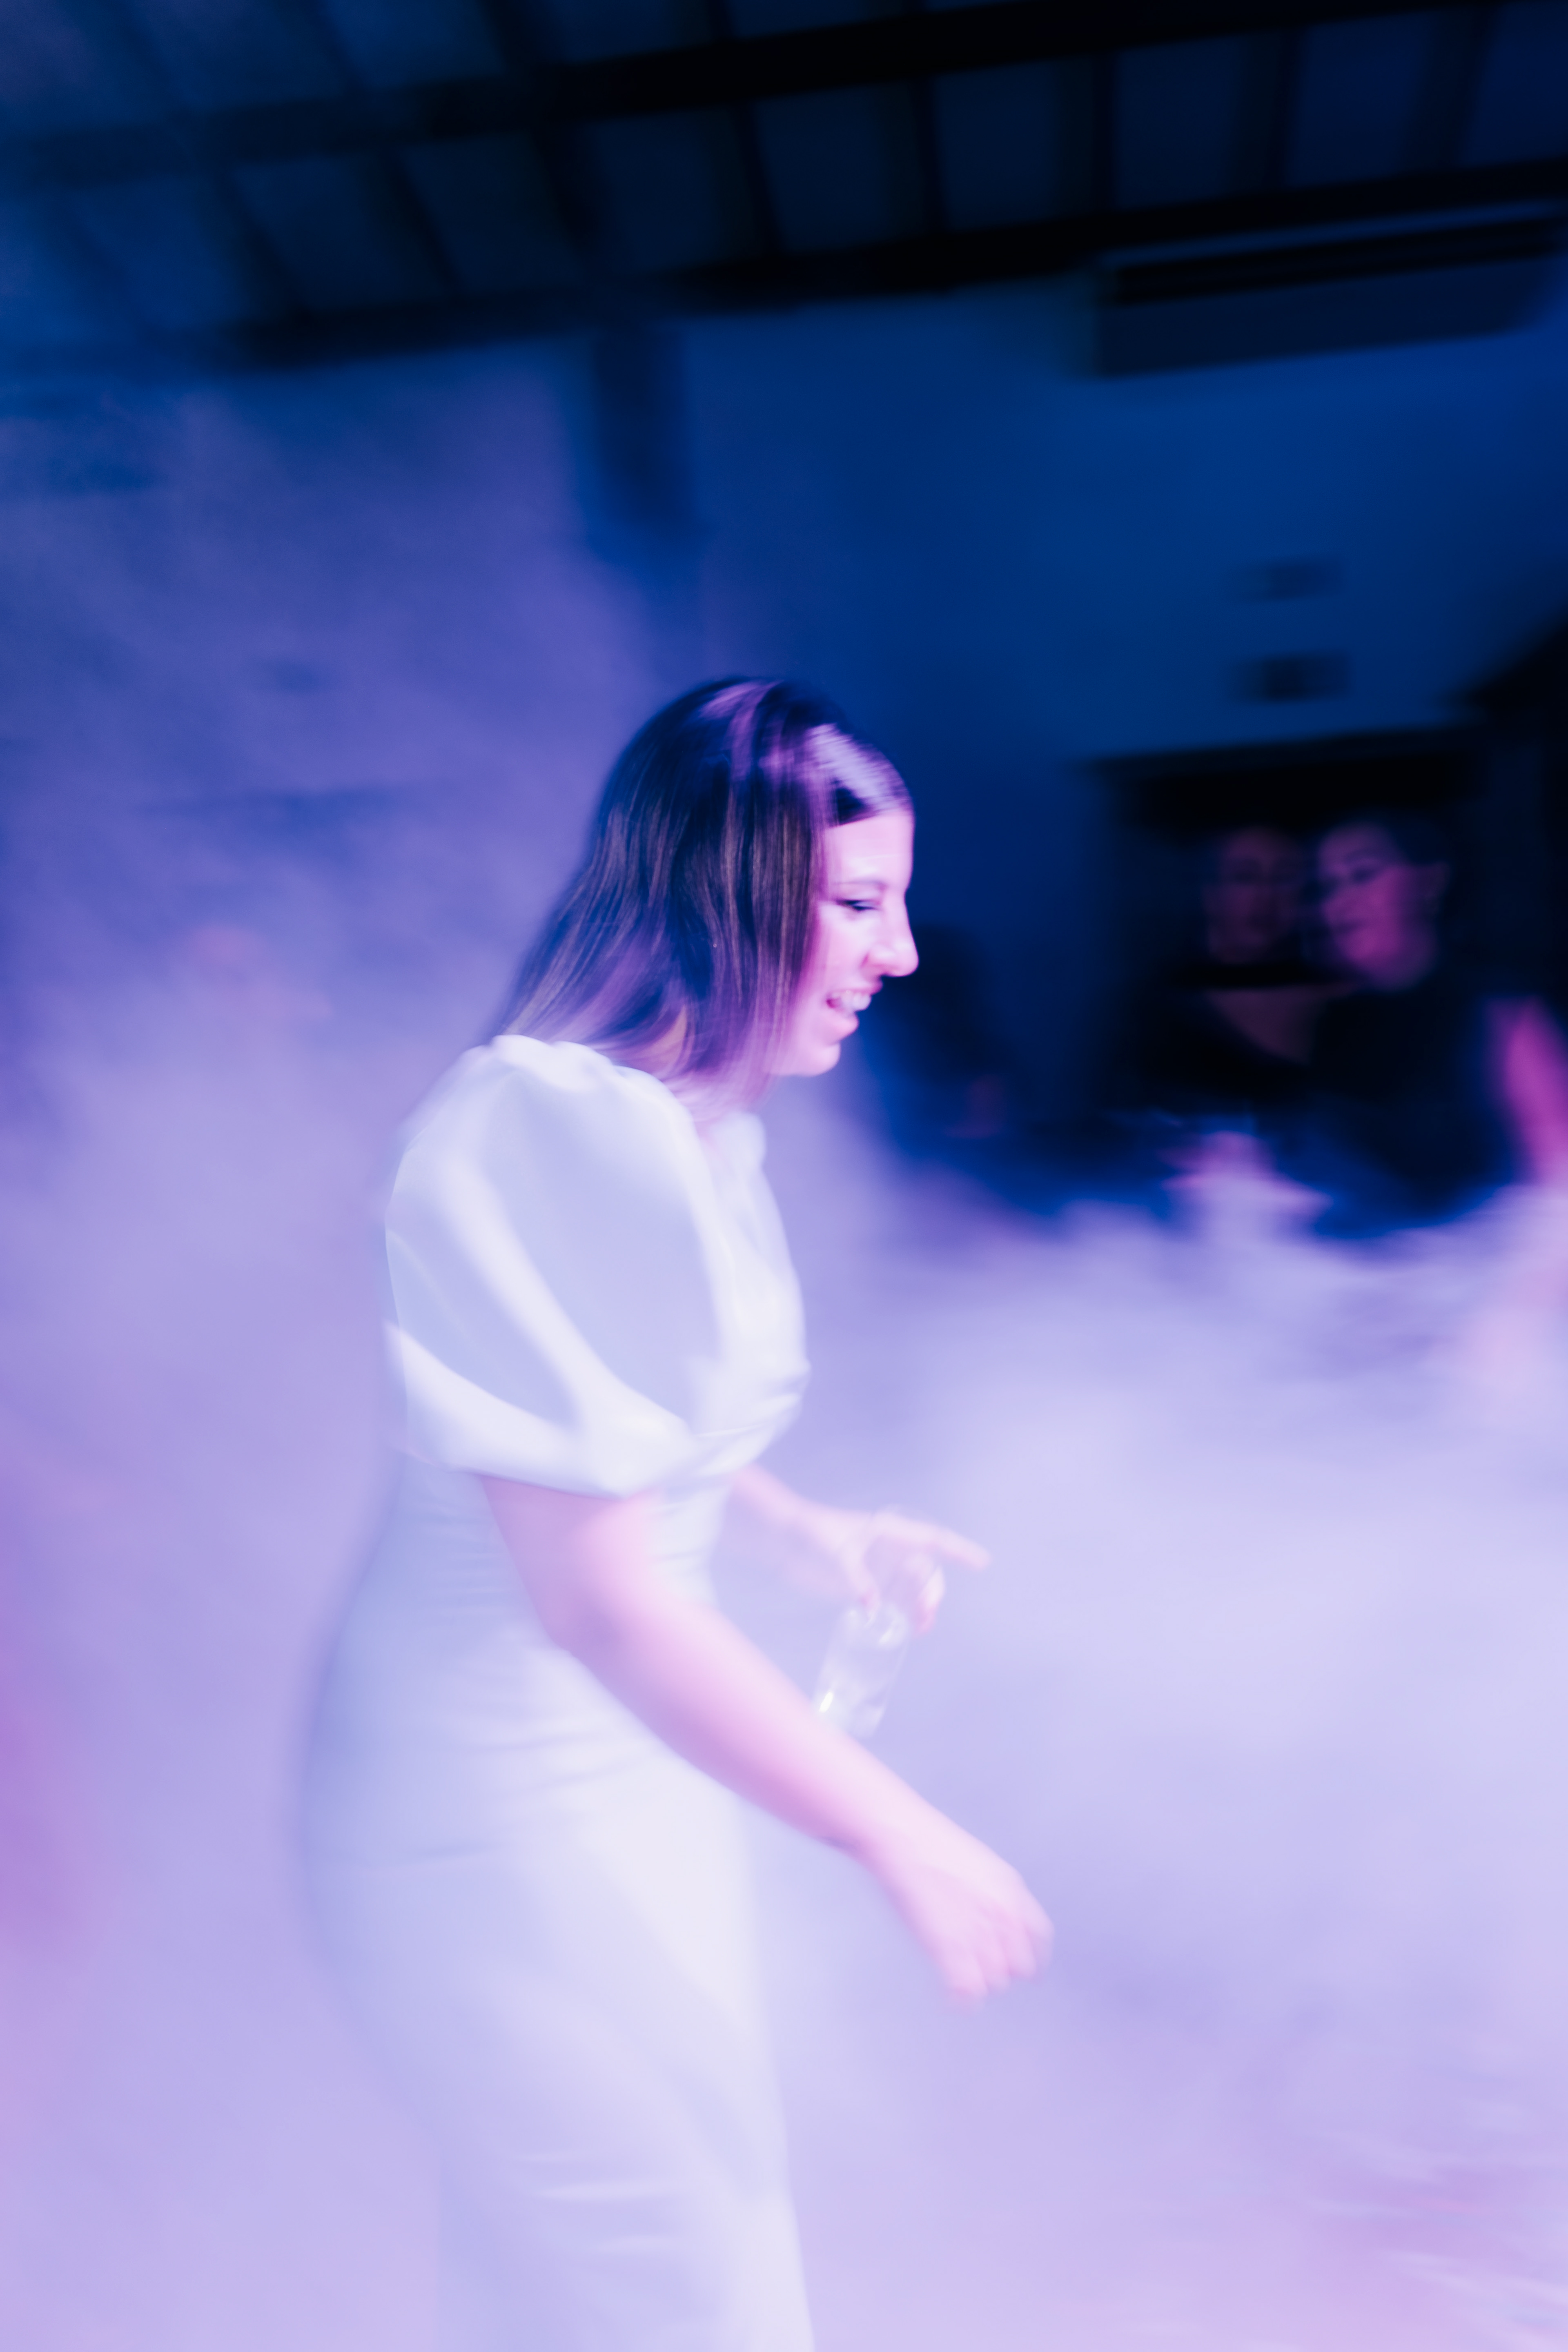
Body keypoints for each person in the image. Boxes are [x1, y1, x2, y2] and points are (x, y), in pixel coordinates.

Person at [301, 679, 1050, 2352]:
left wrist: (800, 1531)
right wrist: (895, 1828)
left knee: (573, 2293)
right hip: (485, 1818)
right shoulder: (545, 1128)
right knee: (688, 2293)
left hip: (603, 1797)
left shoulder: (681, 1127)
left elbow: (609, 1439)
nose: (900, 953)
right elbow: (602, 1601)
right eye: (859, 903)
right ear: (731, 890)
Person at [1292, 812, 1568, 1231]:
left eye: (1363, 874)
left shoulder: (1501, 1016)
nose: (1340, 904)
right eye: (1326, 888)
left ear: (1428, 882)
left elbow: (1558, 1195)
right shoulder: (1326, 1028)